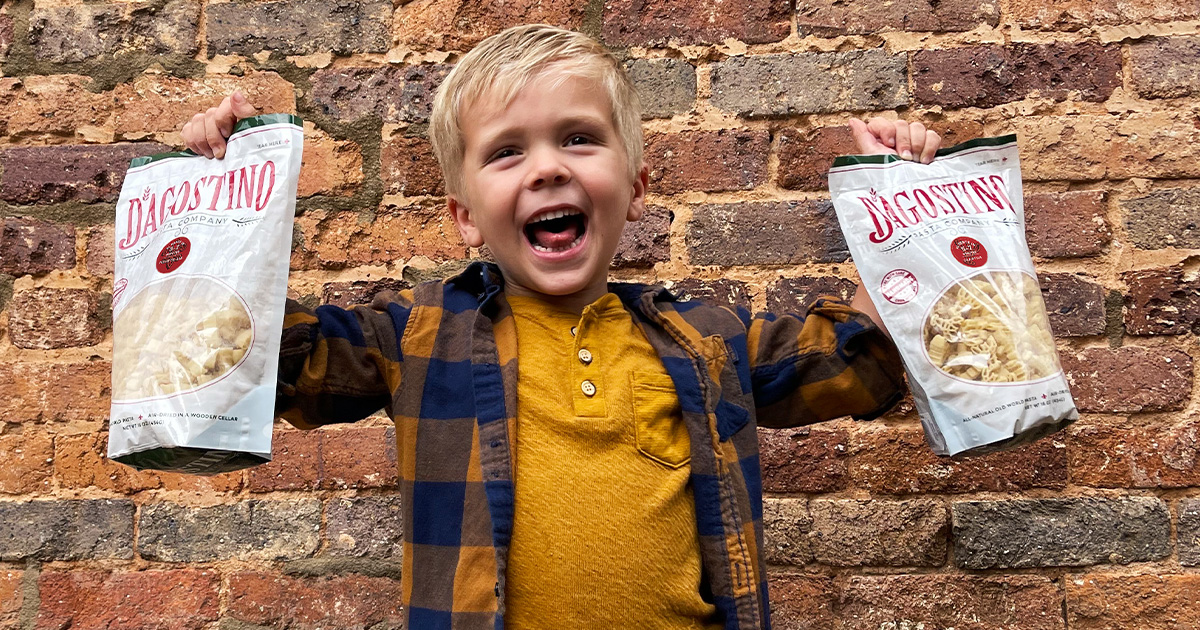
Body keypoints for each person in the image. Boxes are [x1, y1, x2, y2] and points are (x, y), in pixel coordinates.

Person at [182, 24, 941, 630]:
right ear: (466, 217)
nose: (546, 167)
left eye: (578, 138)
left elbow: (861, 363)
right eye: (507, 151)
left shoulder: (707, 338)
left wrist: (900, 214)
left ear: (636, 189)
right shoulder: (417, 338)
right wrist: (227, 210)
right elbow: (276, 362)